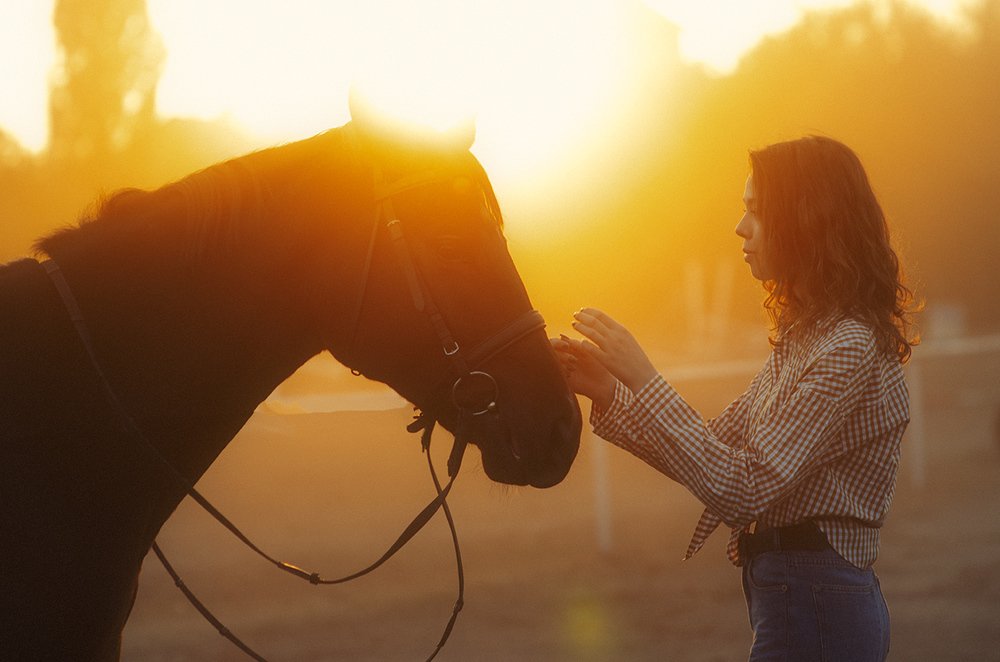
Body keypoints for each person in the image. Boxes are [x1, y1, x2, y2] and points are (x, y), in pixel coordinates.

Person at [553, 135, 916, 661]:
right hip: (802, 601)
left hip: (818, 607)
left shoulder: (848, 346)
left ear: (807, 218)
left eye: (755, 210)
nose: (740, 227)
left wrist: (643, 374)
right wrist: (608, 387)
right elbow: (713, 450)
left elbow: (741, 489)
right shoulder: (807, 336)